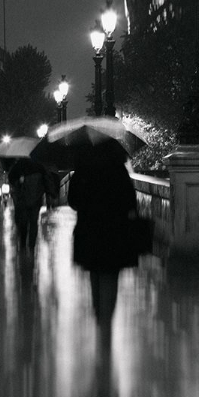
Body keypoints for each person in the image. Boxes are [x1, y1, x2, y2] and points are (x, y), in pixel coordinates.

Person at [67, 140, 138, 347]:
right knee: (110, 272)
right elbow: (130, 201)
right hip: (114, 230)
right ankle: (107, 316)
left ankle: (98, 311)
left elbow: (73, 201)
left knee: (95, 271)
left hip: (89, 228)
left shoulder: (82, 171)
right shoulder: (118, 171)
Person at [8, 158, 56, 251]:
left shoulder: (18, 166)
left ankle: (22, 244)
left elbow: (11, 179)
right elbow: (47, 181)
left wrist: (19, 184)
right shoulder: (39, 166)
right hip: (36, 200)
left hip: (23, 200)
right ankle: (31, 246)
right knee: (33, 222)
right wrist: (51, 193)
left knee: (23, 222)